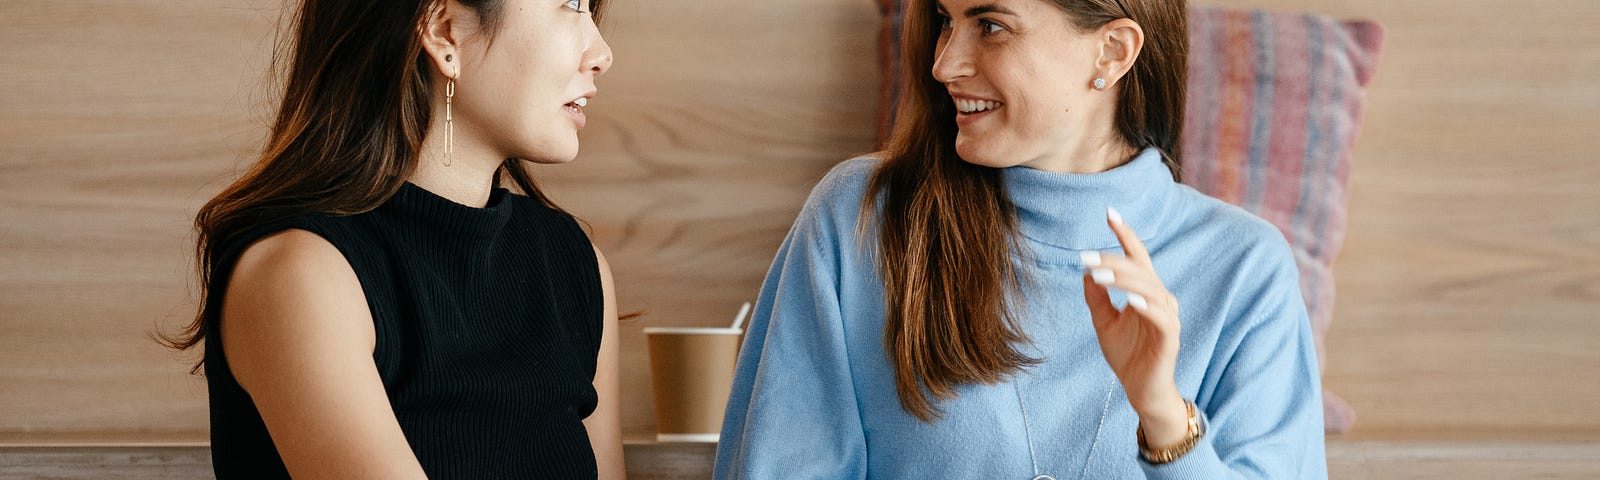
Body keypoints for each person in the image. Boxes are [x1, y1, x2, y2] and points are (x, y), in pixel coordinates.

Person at [715, 0, 1325, 478]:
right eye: (944, 21)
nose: (944, 63)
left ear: (1111, 52)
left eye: (991, 25)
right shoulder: (860, 219)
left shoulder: (1247, 272)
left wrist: (1166, 418)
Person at [159, 0, 621, 478]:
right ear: (444, 33)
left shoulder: (574, 262)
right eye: (570, 3)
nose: (601, 53)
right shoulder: (304, 274)